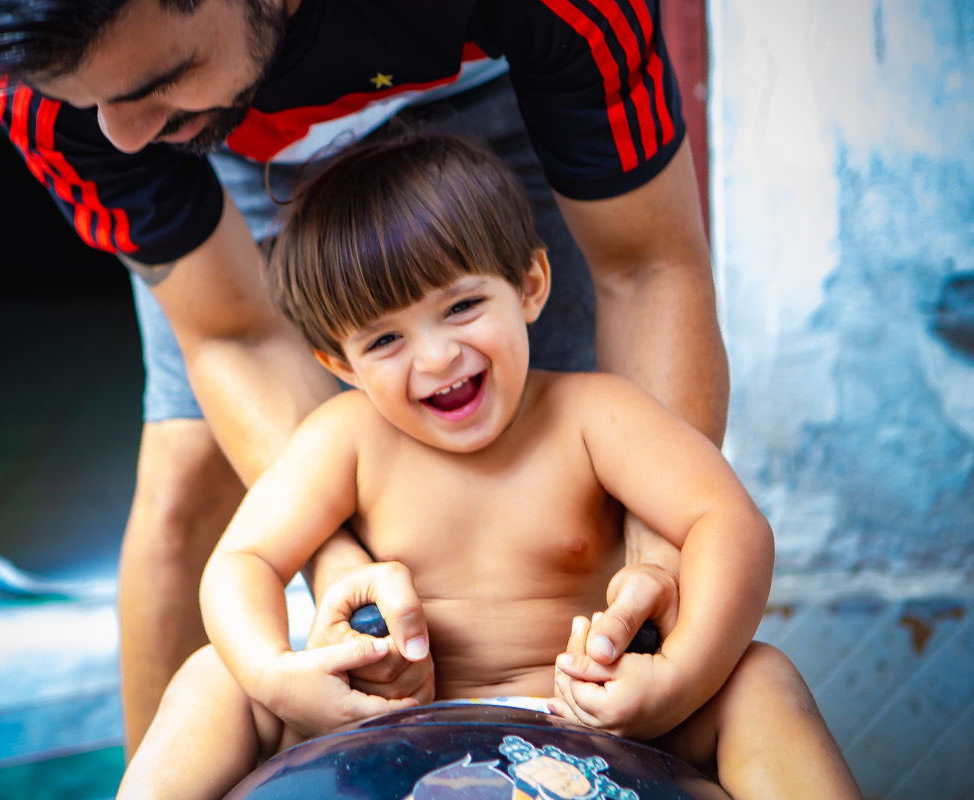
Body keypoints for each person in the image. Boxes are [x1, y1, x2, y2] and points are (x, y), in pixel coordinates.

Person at [0, 0, 711, 752]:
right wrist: (341, 564)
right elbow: (235, 336)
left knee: (550, 468)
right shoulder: (70, 95)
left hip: (497, 81)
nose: (120, 135)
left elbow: (648, 267)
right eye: (96, 103)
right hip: (223, 143)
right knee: (187, 476)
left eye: (158, 77)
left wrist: (659, 555)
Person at [117, 133, 860, 800]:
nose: (437, 357)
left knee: (760, 679)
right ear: (336, 361)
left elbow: (726, 523)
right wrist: (275, 674)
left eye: (463, 306)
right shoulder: (342, 438)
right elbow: (242, 560)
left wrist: (676, 681)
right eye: (384, 341)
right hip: (381, 728)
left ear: (531, 285)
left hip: (597, 728)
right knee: (213, 676)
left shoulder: (596, 416)